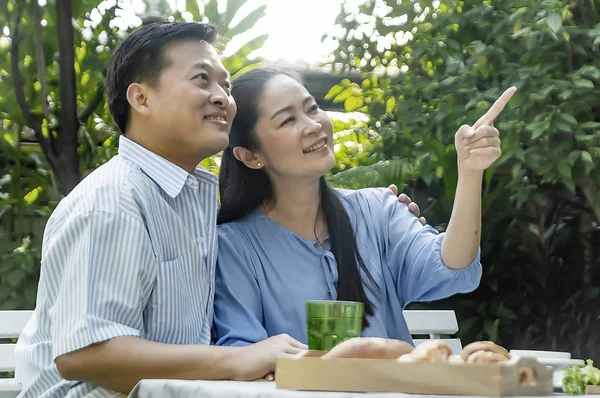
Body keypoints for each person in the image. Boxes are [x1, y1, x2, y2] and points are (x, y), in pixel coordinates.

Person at [14, 22, 423, 397]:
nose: (222, 98)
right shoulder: (112, 203)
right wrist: (240, 360)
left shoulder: (191, 203)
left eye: (225, 86)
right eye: (202, 79)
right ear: (141, 98)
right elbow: (86, 355)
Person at [213, 67, 515, 348]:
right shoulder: (234, 247)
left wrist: (471, 171)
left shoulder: (378, 209)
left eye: (312, 108)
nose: (313, 125)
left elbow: (453, 265)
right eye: (288, 120)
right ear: (250, 156)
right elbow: (242, 349)